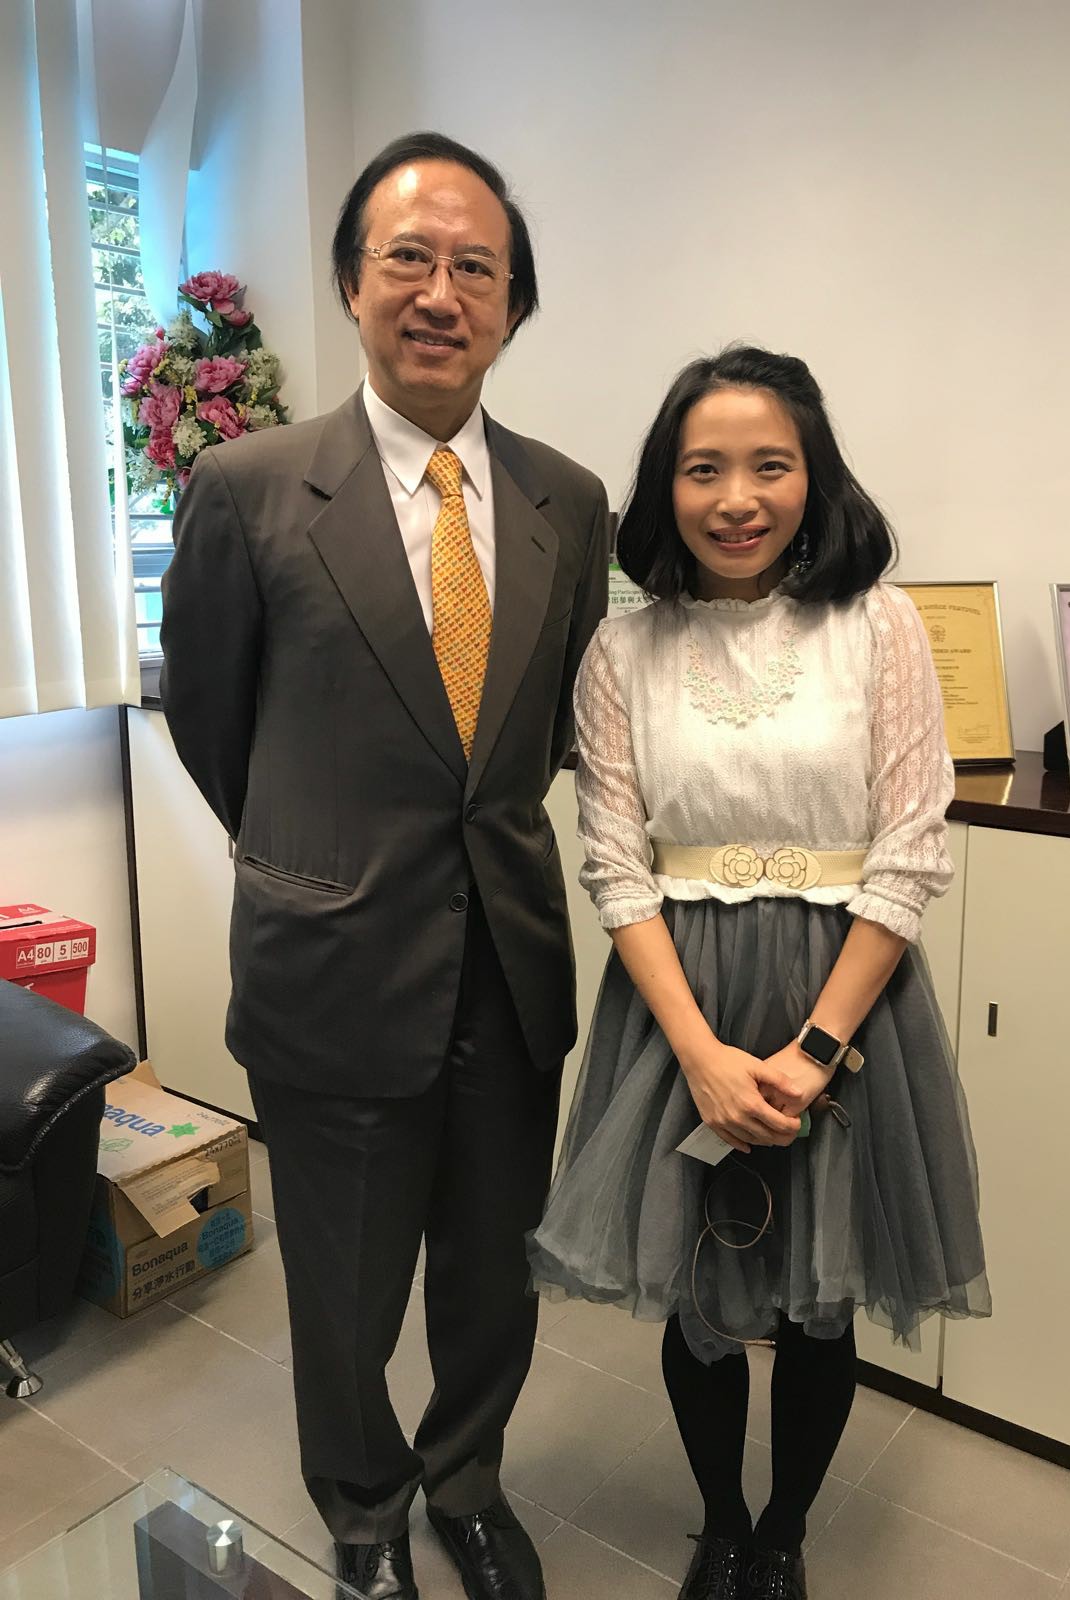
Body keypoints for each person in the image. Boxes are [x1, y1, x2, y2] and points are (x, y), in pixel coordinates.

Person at [160, 132, 609, 1600]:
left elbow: (550, 727)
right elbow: (212, 719)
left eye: (475, 267)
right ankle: (362, 1505)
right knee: (343, 1283)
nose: (439, 291)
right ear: (353, 283)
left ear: (514, 305)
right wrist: (319, 851)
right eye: (407, 257)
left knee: (492, 1272)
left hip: (510, 963)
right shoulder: (246, 485)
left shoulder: (569, 502)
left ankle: (466, 1479)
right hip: (332, 957)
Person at [528, 346, 990, 1600]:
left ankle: (784, 1535)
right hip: (681, 1005)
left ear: (813, 475)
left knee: (816, 1295)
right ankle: (722, 1524)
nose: (737, 497)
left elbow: (910, 848)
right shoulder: (622, 651)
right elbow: (616, 866)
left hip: (849, 1003)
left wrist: (816, 1050)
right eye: (704, 469)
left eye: (768, 465)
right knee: (699, 1283)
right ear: (665, 487)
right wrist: (700, 1056)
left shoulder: (880, 626)